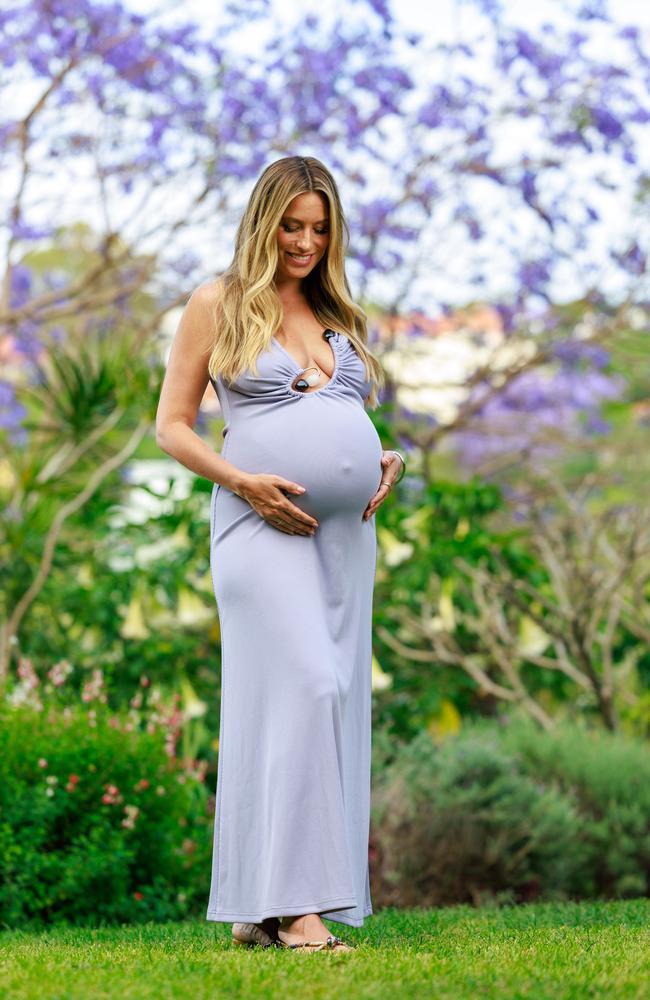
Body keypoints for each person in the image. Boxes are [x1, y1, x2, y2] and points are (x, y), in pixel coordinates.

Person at [155, 155, 405, 953]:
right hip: (257, 525)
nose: (304, 242)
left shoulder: (339, 314)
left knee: (305, 706)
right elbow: (173, 425)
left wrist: (383, 459)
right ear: (264, 221)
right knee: (309, 682)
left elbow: (345, 419)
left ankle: (257, 908)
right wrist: (243, 481)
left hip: (342, 538)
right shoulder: (217, 302)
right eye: (292, 225)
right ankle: (301, 910)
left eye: (320, 228)